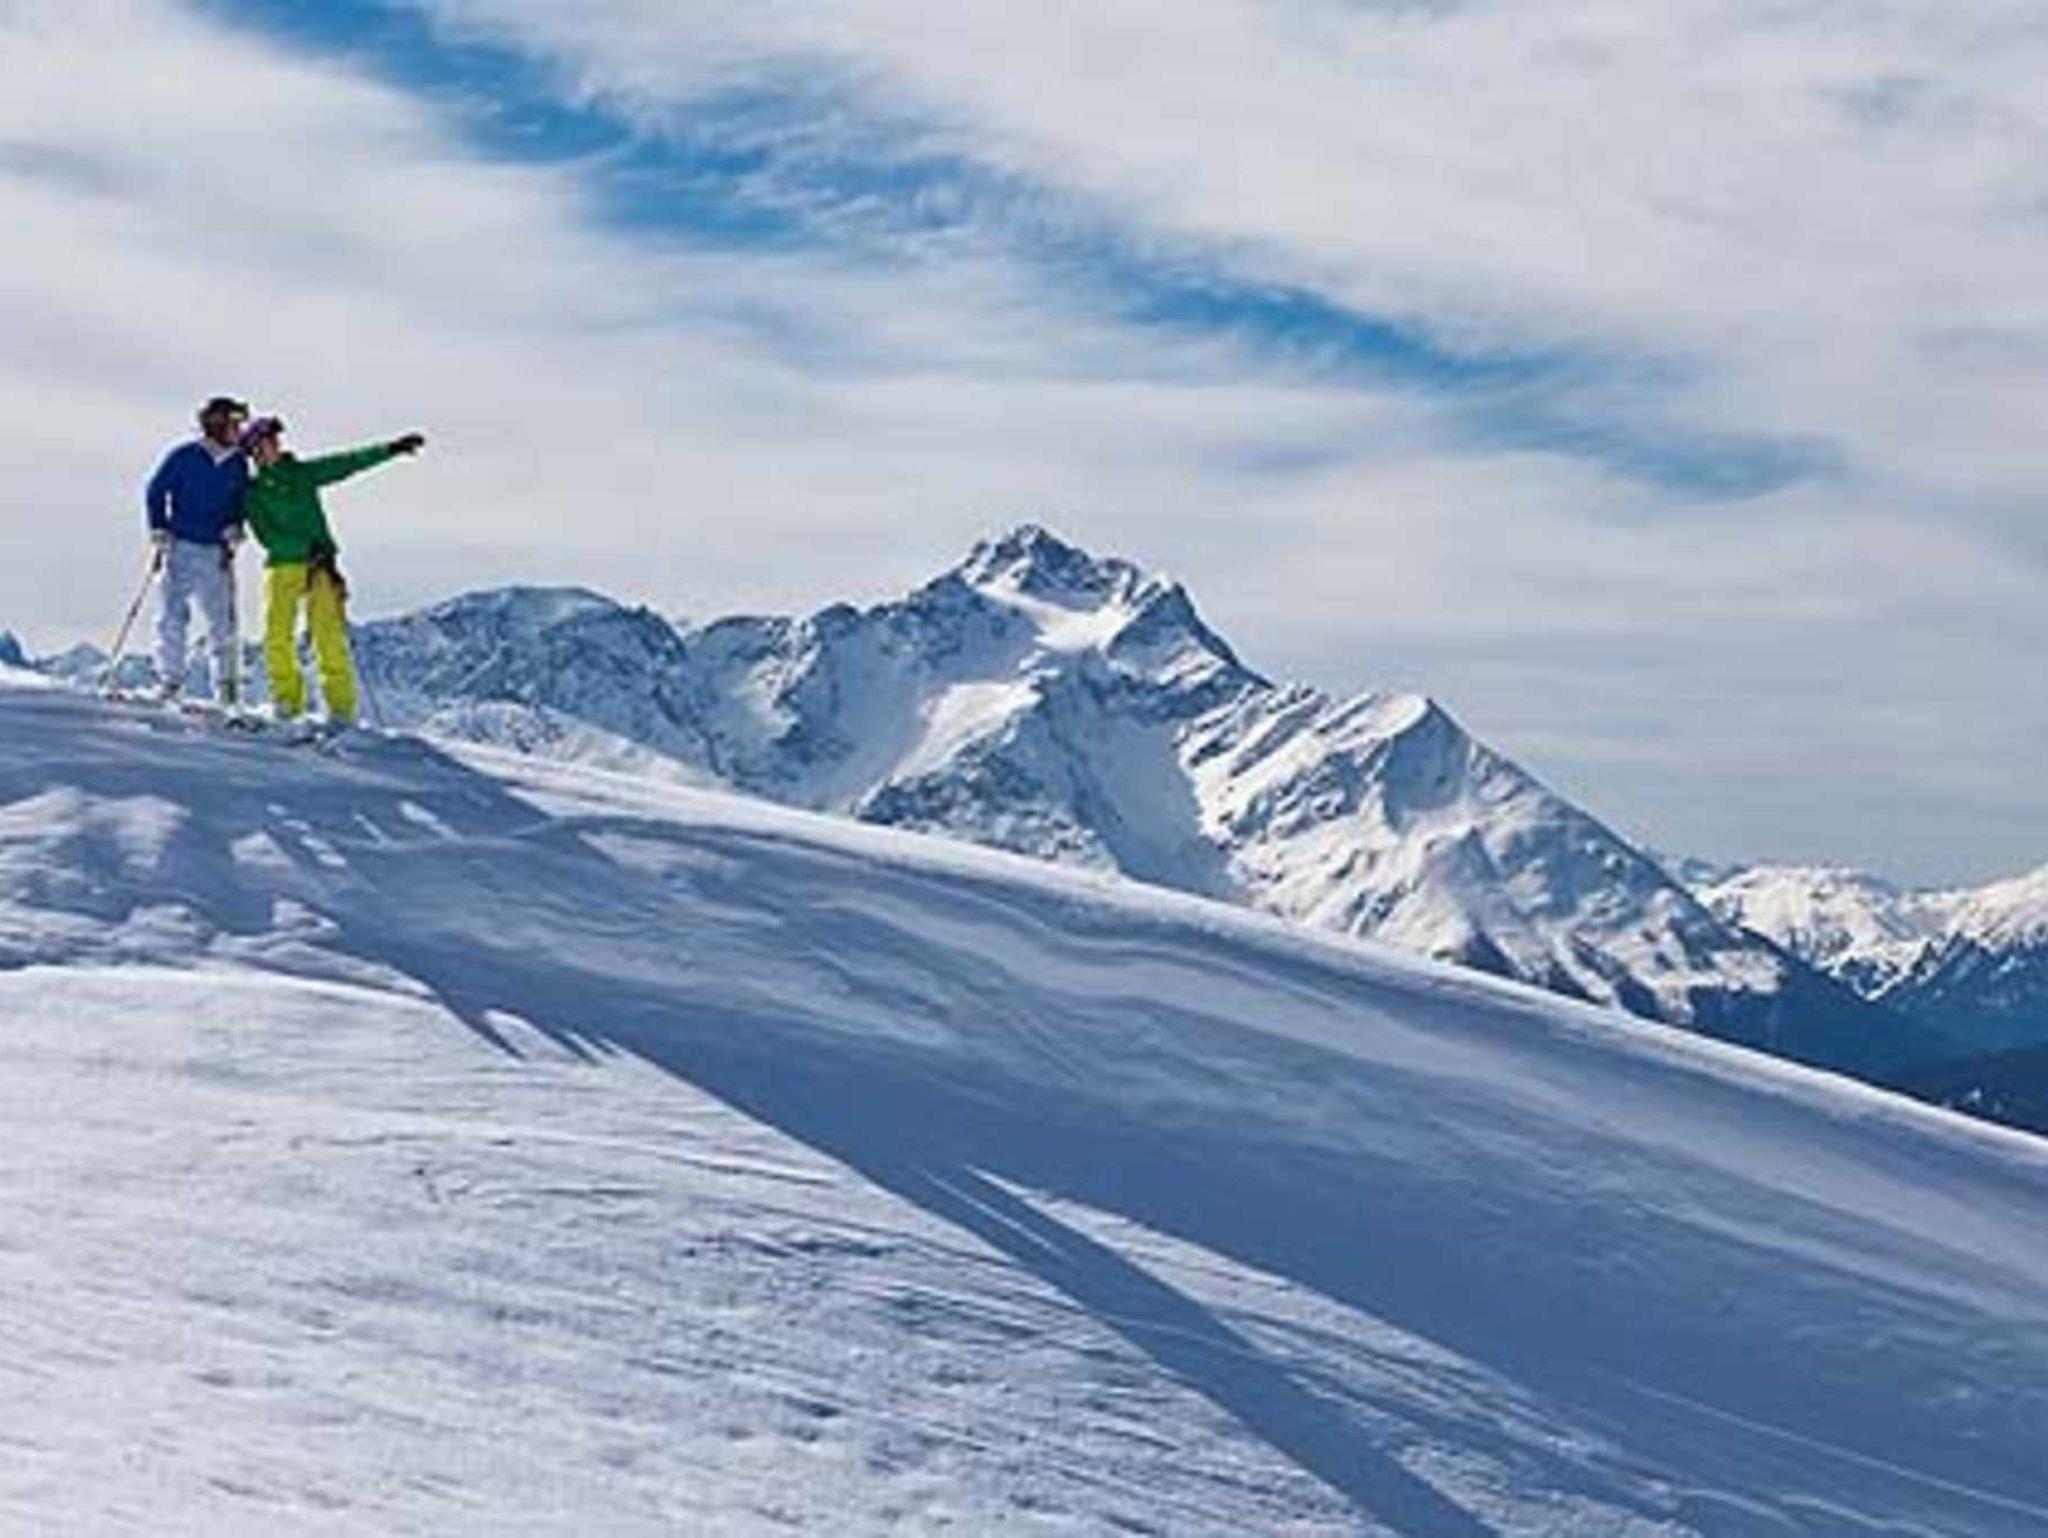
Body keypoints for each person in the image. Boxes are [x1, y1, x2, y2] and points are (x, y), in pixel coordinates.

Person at [239, 416, 425, 727]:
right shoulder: (254, 493)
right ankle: (288, 704)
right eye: (267, 441)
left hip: (322, 565)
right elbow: (266, 535)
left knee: (329, 636)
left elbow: (346, 463)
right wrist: (305, 546)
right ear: (254, 450)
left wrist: (391, 449)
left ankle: (341, 711)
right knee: (277, 636)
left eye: (275, 440)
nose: (275, 445)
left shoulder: (302, 473)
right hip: (284, 564)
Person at [144, 396, 250, 702]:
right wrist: (158, 526)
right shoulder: (185, 456)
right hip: (180, 546)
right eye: (234, 423)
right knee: (172, 615)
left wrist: (235, 525)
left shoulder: (238, 463)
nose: (239, 430)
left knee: (223, 622)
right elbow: (156, 489)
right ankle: (170, 680)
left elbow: (241, 500)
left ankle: (227, 687)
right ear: (216, 424)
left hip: (216, 552)